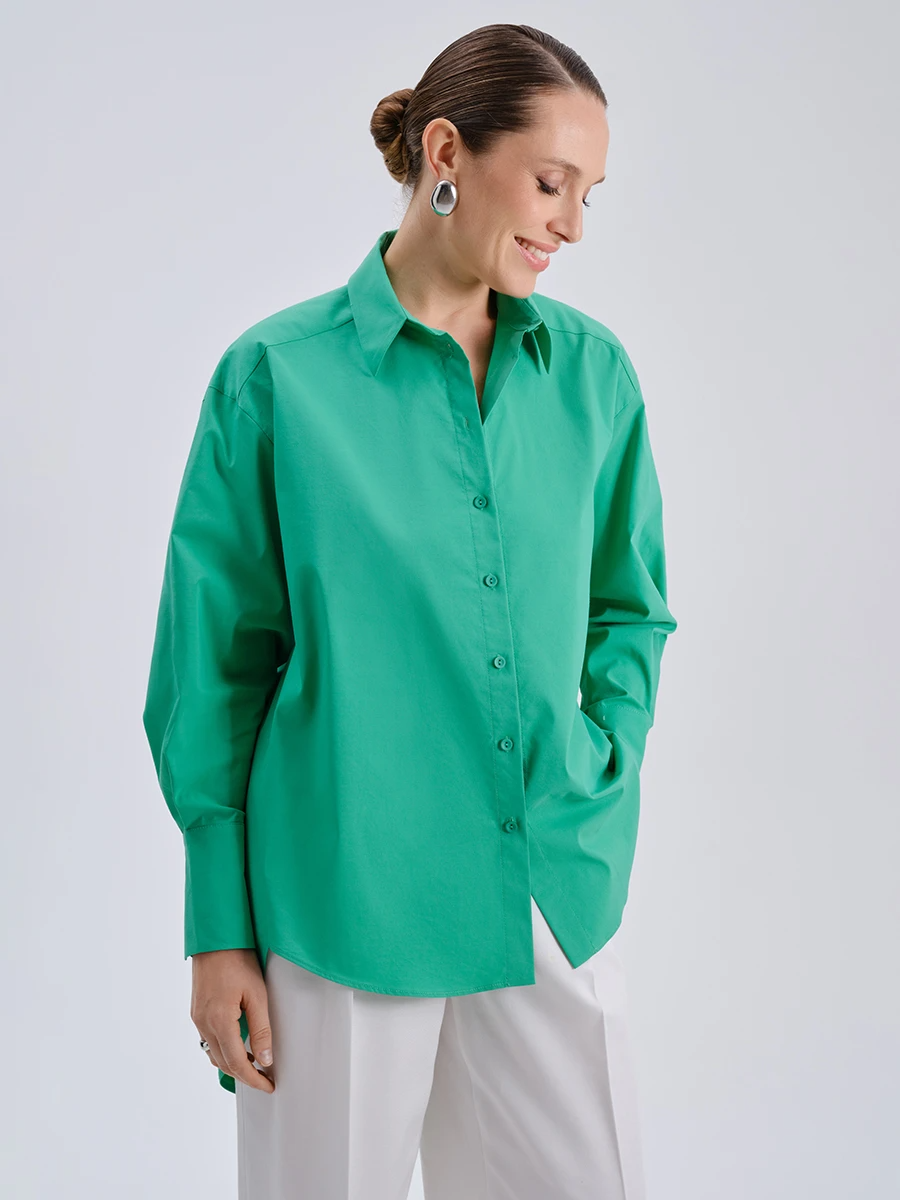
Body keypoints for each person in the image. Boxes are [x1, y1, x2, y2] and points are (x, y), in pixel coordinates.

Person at [142, 21, 678, 1200]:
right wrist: (218, 929)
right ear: (446, 154)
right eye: (551, 183)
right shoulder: (277, 378)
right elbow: (211, 669)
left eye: (589, 196)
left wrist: (603, 762)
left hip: (543, 883)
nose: (571, 226)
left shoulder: (594, 377)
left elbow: (630, 611)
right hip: (342, 894)